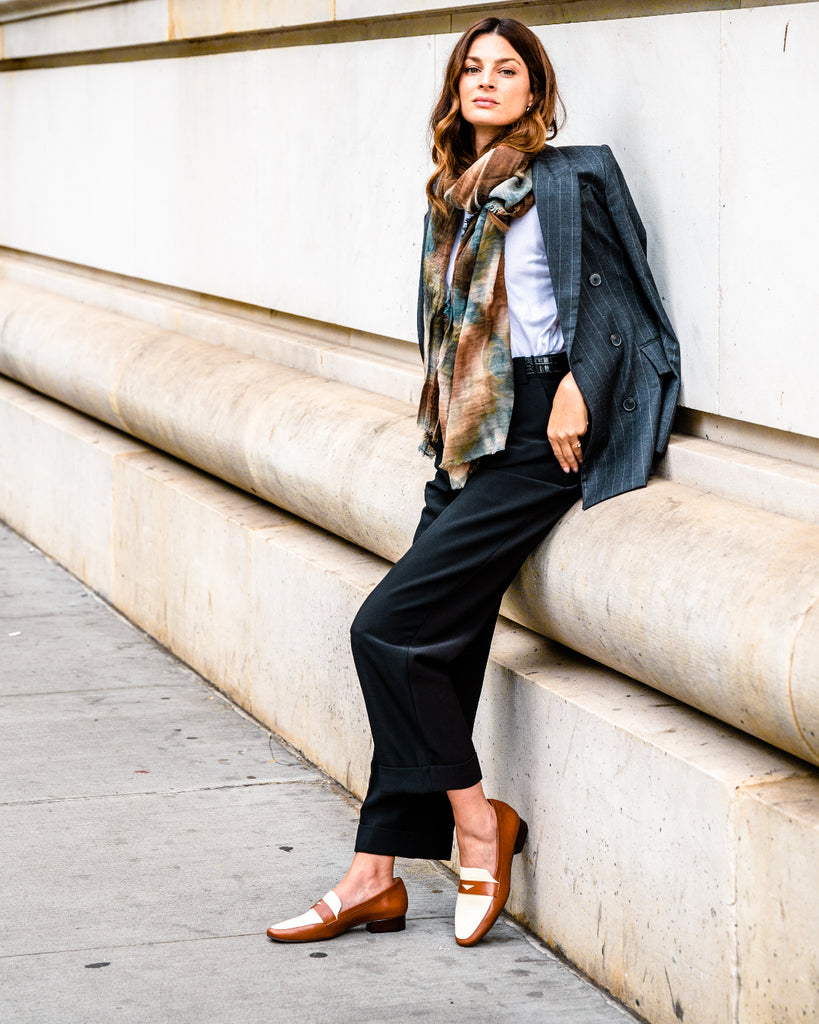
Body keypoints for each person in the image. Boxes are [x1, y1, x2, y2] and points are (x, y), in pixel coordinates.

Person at [267, 16, 679, 947]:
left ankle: (475, 822)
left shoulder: (571, 179)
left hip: (541, 435)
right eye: (471, 70)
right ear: (456, 92)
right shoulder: (450, 195)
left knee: (382, 629)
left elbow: (628, 301)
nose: (485, 82)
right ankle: (373, 873)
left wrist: (580, 385)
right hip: (464, 434)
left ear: (536, 89)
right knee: (430, 649)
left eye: (506, 70)